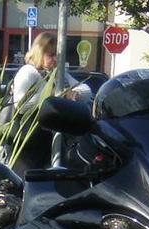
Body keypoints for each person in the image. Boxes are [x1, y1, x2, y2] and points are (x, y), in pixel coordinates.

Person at [8, 32, 90, 176]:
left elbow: (87, 91)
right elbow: (21, 104)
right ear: (39, 53)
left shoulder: (59, 74)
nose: (54, 59)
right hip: (27, 143)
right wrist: (54, 95)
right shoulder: (28, 72)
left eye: (56, 55)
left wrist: (74, 94)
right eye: (50, 55)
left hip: (49, 142)